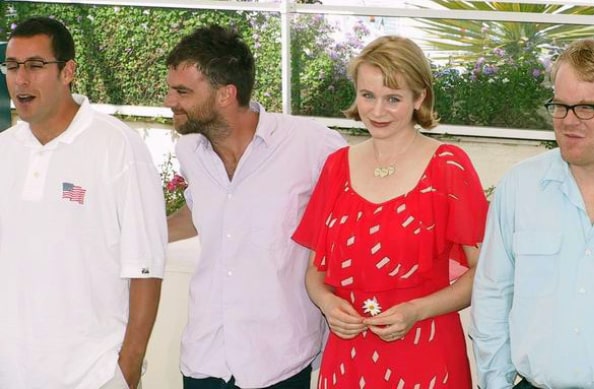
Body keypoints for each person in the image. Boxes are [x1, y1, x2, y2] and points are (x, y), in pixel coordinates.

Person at [292, 35, 488, 388]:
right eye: (368, 95)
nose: (377, 111)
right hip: (347, 360)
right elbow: (315, 271)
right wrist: (326, 303)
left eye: (393, 98)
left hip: (427, 355)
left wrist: (417, 310)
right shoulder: (337, 166)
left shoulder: (449, 167)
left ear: (419, 97)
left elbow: (485, 273)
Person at [164, 24, 346, 389]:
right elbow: (199, 215)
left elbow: (351, 218)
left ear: (225, 94)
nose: (170, 101)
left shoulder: (312, 145)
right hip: (204, 357)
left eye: (182, 91)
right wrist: (128, 232)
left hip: (279, 358)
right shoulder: (189, 151)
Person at [470, 38, 594, 389]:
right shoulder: (520, 188)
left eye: (586, 108)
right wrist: (495, 383)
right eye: (560, 106)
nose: (568, 121)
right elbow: (492, 294)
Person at [0, 17, 167, 389]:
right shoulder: (4, 151)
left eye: (35, 66)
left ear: (68, 71)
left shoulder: (119, 147)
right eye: (12, 66)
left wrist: (125, 372)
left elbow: (145, 267)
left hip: (91, 377)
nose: (20, 79)